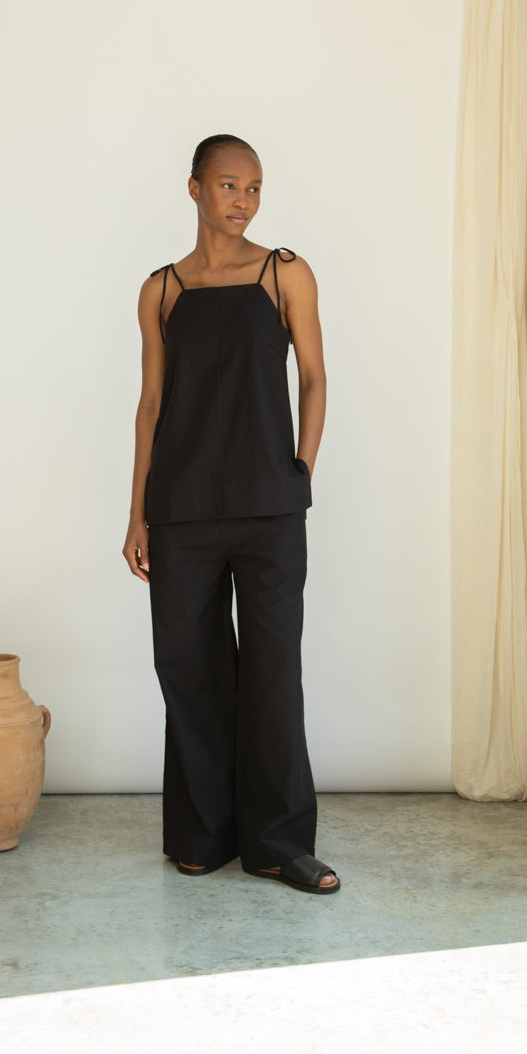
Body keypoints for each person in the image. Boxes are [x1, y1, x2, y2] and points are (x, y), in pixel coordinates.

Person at [122, 134, 339, 894]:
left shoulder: (285, 273)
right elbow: (151, 405)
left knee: (274, 674)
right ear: (194, 189)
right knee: (190, 670)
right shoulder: (161, 291)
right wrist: (137, 514)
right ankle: (201, 833)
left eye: (253, 187)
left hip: (268, 510)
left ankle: (279, 844)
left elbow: (314, 379)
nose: (243, 201)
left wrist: (299, 471)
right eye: (227, 185)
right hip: (180, 510)